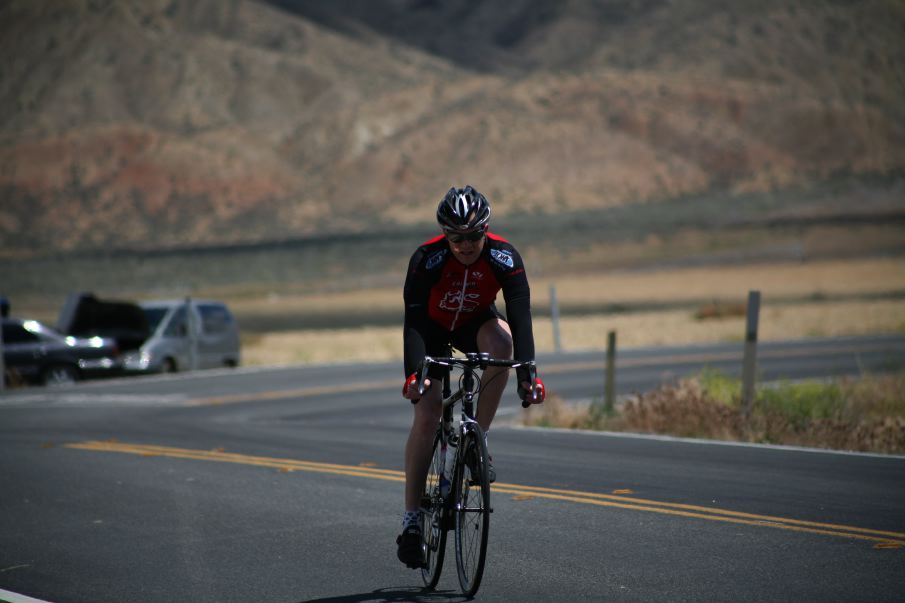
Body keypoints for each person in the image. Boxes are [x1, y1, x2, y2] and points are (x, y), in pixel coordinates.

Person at [396, 185, 545, 569]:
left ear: (487, 230)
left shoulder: (504, 257)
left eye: (474, 236)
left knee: (503, 343)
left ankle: (478, 439)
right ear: (444, 234)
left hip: (473, 322)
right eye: (456, 237)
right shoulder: (426, 260)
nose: (465, 245)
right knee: (427, 416)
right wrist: (415, 374)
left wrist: (528, 374)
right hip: (431, 330)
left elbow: (520, 313)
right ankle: (412, 520)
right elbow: (413, 320)